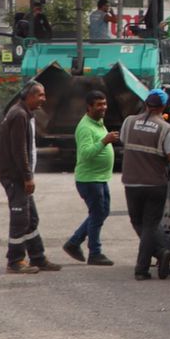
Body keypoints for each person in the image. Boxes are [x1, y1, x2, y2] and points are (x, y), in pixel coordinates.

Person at [120, 89, 170, 280]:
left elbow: (124, 141)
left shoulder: (129, 122)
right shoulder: (165, 129)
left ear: (146, 104)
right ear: (163, 107)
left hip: (131, 182)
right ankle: (146, 265)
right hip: (155, 184)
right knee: (149, 225)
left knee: (137, 222)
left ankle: (158, 254)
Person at [0, 82, 62, 275]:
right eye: (40, 95)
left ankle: (38, 257)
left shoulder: (24, 113)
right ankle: (14, 261)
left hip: (20, 177)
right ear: (29, 96)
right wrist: (27, 177)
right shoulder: (19, 115)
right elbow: (19, 150)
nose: (44, 99)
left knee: (31, 219)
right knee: (20, 219)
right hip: (15, 177)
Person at [63, 90, 118, 266]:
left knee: (102, 212)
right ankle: (95, 252)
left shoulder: (98, 123)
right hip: (89, 179)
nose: (103, 107)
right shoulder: (85, 127)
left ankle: (74, 242)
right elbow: (86, 154)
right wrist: (105, 141)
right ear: (89, 107)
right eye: (99, 105)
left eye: (104, 103)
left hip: (100, 177)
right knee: (97, 214)